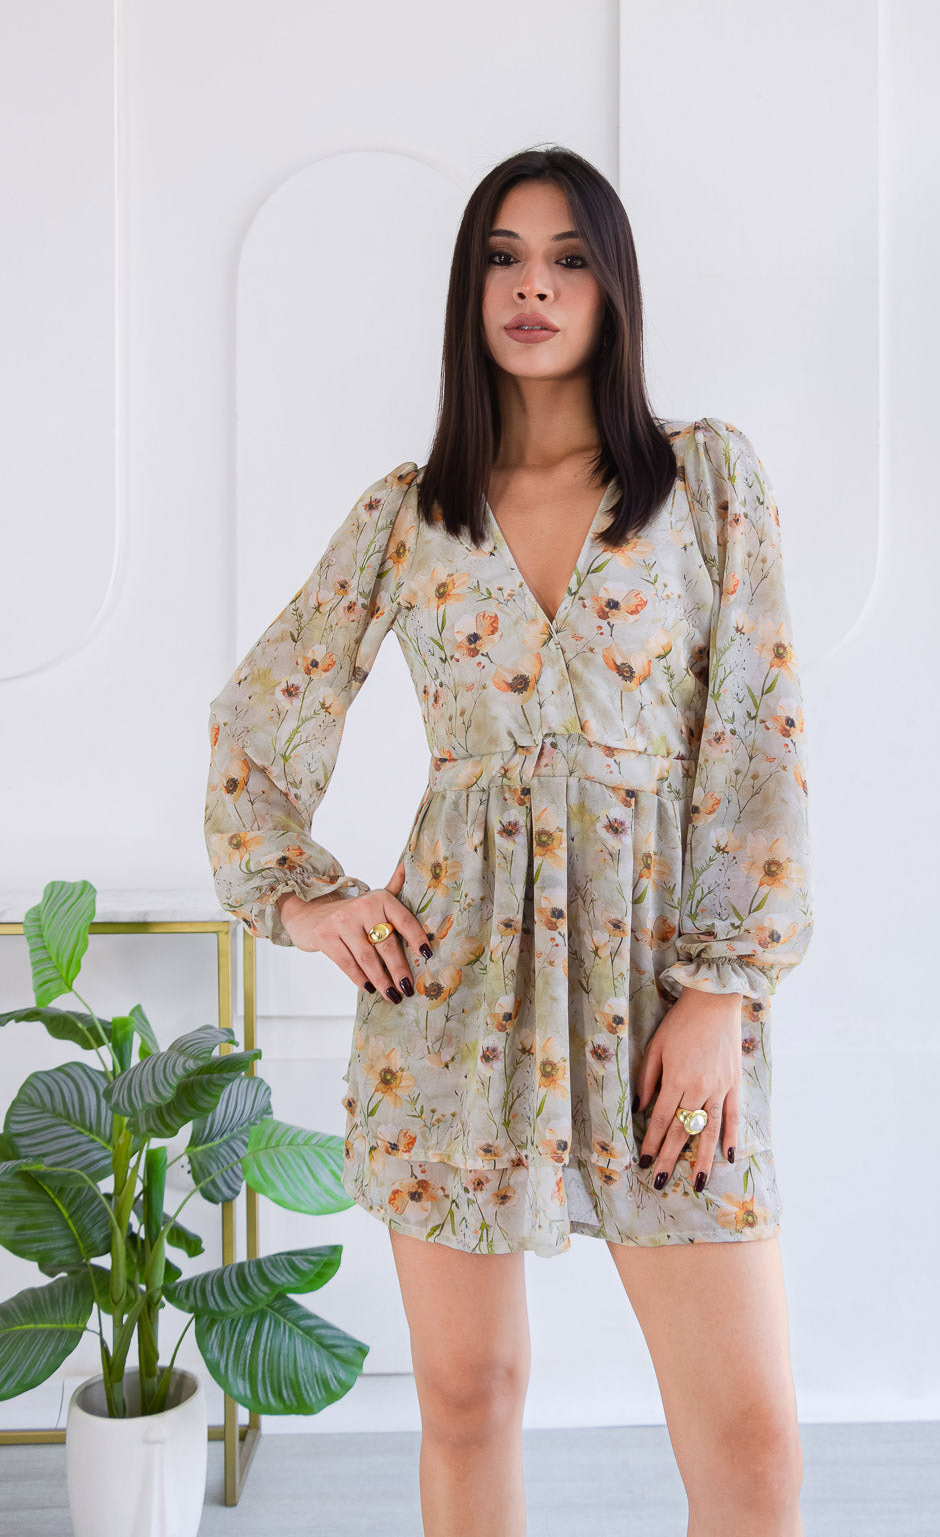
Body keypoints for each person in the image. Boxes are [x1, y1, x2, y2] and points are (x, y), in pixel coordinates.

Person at [205, 144, 814, 1537]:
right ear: (469, 288)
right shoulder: (411, 512)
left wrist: (722, 992)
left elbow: (761, 738)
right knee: (469, 1396)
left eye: (568, 259)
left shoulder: (705, 481)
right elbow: (260, 717)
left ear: (614, 289)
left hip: (663, 993)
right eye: (503, 257)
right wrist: (305, 898)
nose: (533, 286)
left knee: (748, 1433)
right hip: (455, 1000)